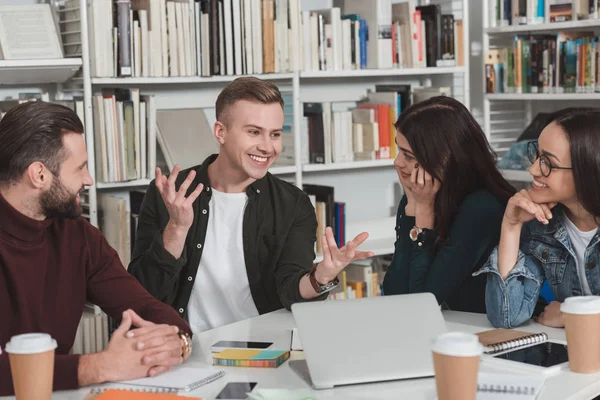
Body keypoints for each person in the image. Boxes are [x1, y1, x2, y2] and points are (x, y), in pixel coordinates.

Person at [128, 77, 372, 333]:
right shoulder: (170, 194)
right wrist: (176, 230)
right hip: (184, 349)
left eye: (275, 134)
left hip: (265, 347)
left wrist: (320, 278)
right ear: (220, 132)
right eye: (254, 132)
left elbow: (289, 290)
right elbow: (141, 294)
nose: (267, 147)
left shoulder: (294, 205)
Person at [0, 102, 193, 396]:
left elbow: (143, 307)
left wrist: (176, 341)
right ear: (39, 175)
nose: (89, 180)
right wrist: (100, 366)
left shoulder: (78, 236)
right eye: (80, 168)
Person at [382, 96, 515, 313]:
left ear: (441, 158)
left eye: (407, 155)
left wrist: (423, 214)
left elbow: (422, 302)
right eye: (399, 151)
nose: (397, 162)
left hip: (486, 335)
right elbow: (394, 293)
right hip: (451, 329)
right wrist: (412, 209)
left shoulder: (481, 207)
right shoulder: (419, 197)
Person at [479, 108, 600, 329]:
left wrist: (569, 315)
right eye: (537, 155)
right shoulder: (541, 225)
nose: (533, 169)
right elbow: (506, 316)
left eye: (548, 163)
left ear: (587, 171)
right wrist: (511, 226)